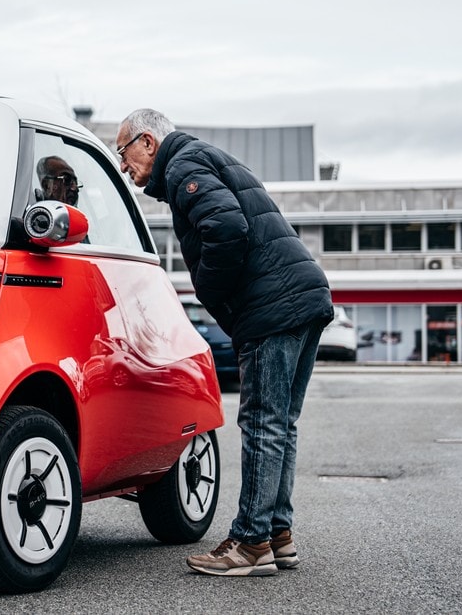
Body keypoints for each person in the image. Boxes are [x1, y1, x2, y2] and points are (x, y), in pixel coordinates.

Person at [116, 108, 334, 577]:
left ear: (148, 141)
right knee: (281, 424)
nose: (124, 166)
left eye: (124, 152)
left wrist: (211, 292)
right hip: (304, 296)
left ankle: (251, 543)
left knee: (261, 423)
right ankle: (278, 534)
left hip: (272, 307)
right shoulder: (203, 156)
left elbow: (227, 227)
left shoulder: (182, 166)